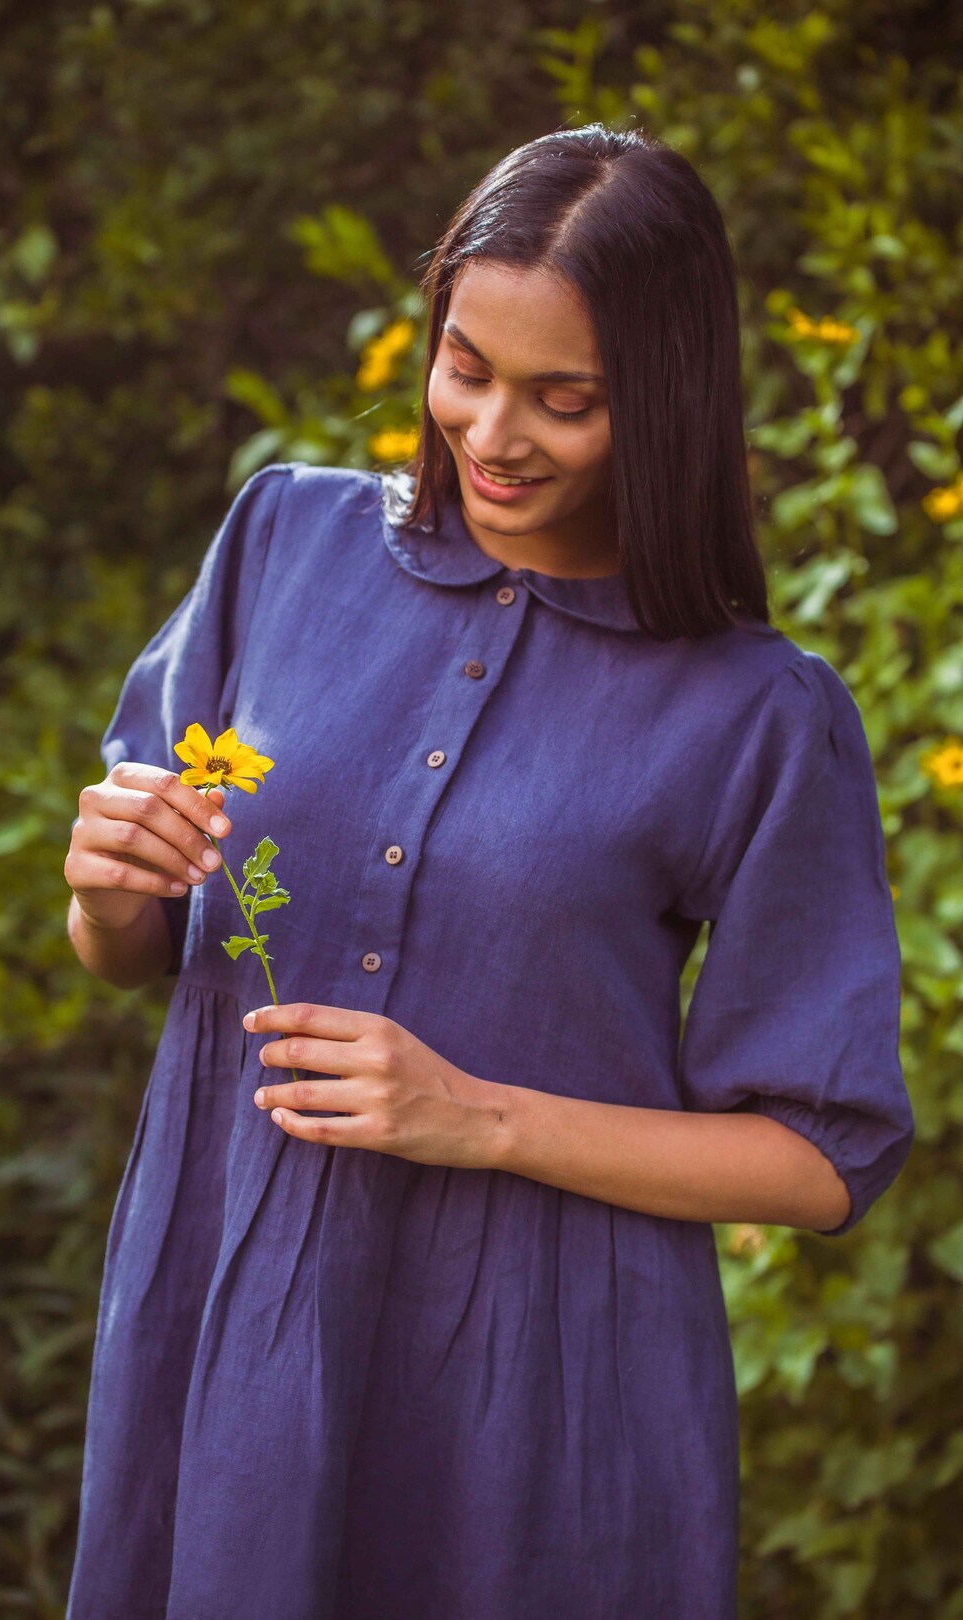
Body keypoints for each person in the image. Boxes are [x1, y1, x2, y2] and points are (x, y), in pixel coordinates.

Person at [62, 124, 914, 1620]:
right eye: (464, 367)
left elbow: (820, 1158)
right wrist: (105, 890)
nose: (492, 432)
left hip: (539, 1378)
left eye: (564, 400)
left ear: (665, 400)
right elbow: (138, 950)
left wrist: (483, 1117)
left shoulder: (760, 712)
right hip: (233, 1301)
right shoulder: (285, 542)